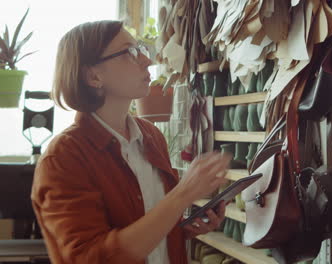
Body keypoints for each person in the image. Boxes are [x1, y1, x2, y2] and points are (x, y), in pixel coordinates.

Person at [31, 20, 231, 264]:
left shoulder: (152, 137)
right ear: (93, 76)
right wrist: (182, 194)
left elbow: (148, 226)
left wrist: (185, 227)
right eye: (129, 52)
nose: (147, 60)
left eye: (141, 50)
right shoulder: (63, 157)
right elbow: (89, 258)